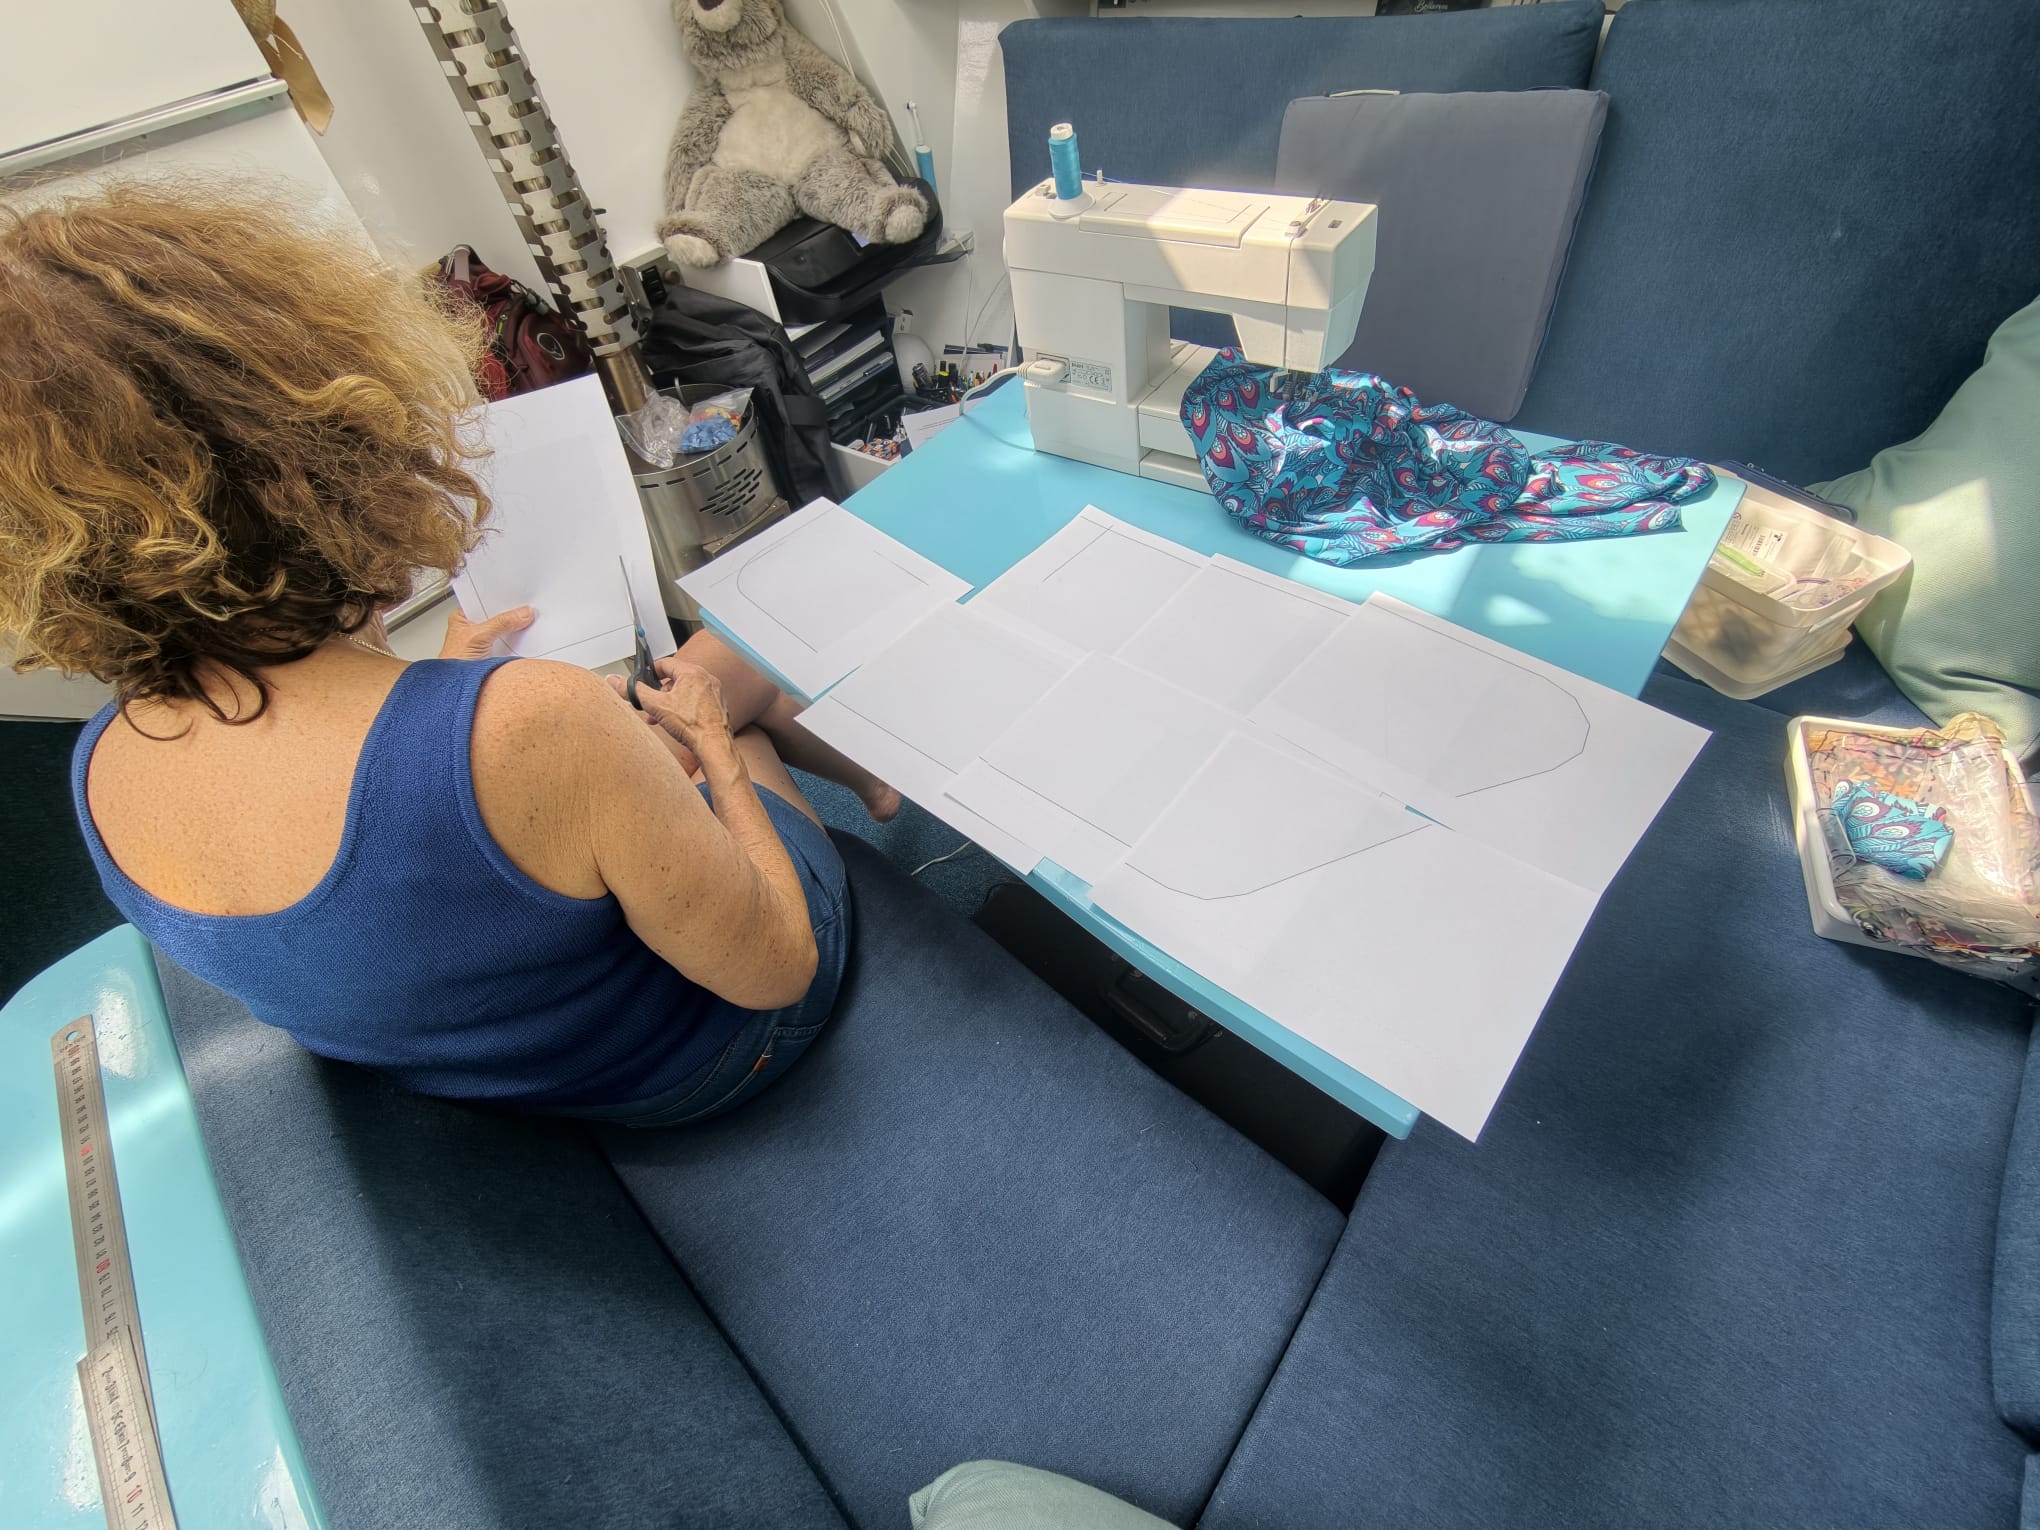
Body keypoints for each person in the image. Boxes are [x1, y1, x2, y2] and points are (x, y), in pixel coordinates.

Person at [0, 181, 897, 1126]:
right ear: (325, 453)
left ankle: (864, 782)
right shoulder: (534, 723)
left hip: (502, 1081)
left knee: (666, 721)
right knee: (716, 682)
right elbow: (775, 971)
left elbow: (388, 850)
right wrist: (713, 751)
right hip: (700, 1061)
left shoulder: (101, 762)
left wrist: (438, 695)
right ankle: (855, 778)